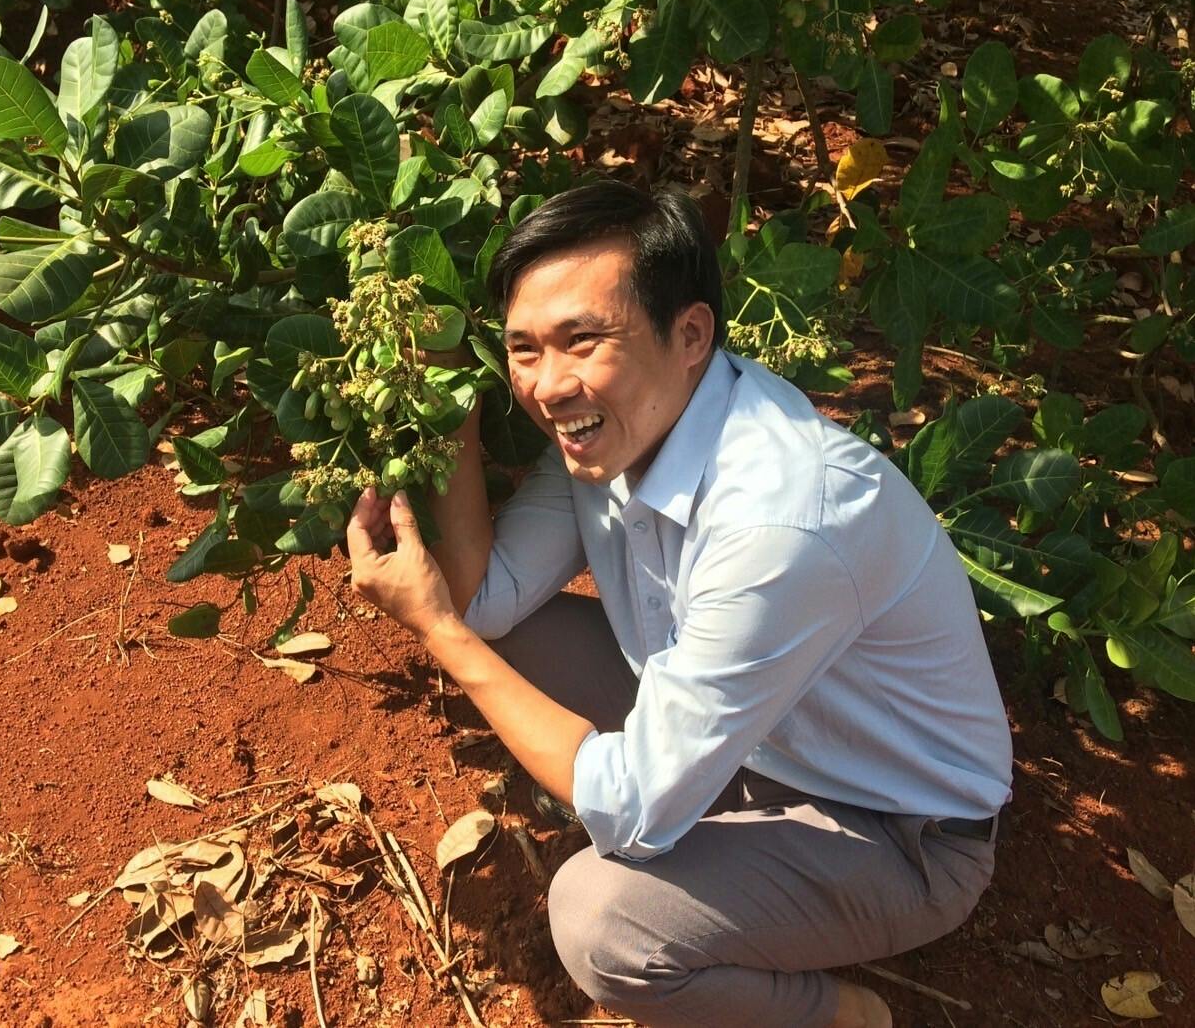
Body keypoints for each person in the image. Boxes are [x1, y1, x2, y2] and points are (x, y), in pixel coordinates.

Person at [344, 181, 1013, 1028]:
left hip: (897, 835)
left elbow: (629, 811)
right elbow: (490, 600)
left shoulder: (780, 520)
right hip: (763, 745)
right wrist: (450, 405)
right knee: (516, 642)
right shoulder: (622, 422)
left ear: (691, 334)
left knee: (603, 925)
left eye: (582, 340)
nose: (549, 386)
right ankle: (713, 818)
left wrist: (435, 628)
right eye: (523, 350)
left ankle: (841, 1015)